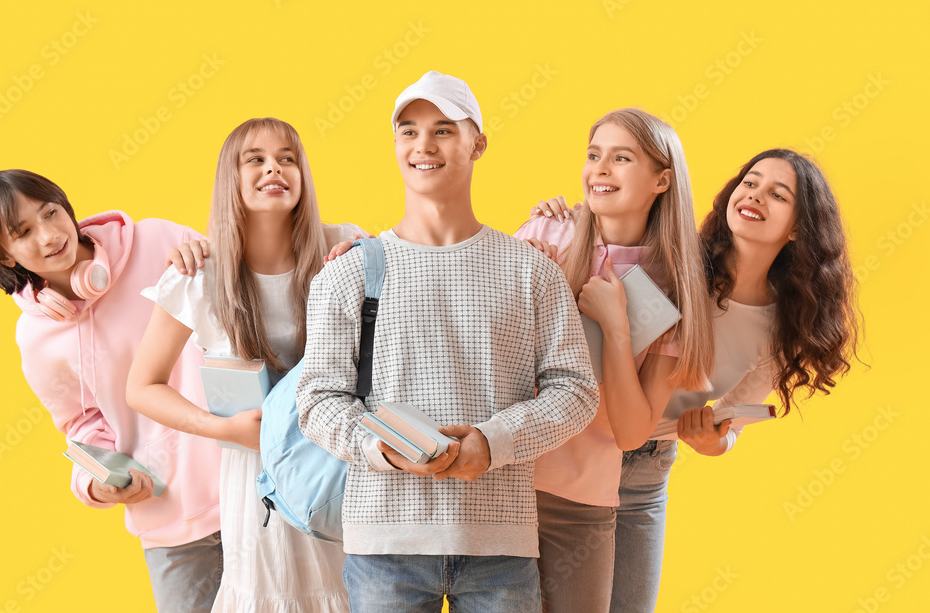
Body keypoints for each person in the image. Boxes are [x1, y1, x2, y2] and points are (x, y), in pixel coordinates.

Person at [296, 71, 599, 613]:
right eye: (408, 131)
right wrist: (380, 449)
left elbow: (575, 391)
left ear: (477, 143)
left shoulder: (531, 271)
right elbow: (317, 400)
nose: (423, 146)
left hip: (499, 546)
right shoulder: (349, 273)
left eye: (442, 130)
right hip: (383, 546)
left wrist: (493, 441)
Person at [531, 147, 861, 612]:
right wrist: (563, 219)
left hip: (646, 471)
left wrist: (710, 440)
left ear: (798, 229)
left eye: (777, 194)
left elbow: (732, 424)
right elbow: (597, 326)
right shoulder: (674, 264)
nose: (756, 196)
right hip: (586, 449)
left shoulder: (780, 327)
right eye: (750, 183)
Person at [0, 170, 223, 612]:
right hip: (168, 513)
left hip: (250, 480)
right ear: (5, 257)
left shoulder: (159, 240)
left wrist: (211, 255)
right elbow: (83, 425)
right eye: (23, 232)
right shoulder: (36, 337)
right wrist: (97, 483)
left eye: (51, 212)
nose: (49, 235)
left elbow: (245, 305)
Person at [127, 117, 359, 613]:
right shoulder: (199, 275)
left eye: (287, 158)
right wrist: (223, 428)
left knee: (352, 591)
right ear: (229, 178)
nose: (273, 168)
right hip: (255, 469)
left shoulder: (344, 247)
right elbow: (142, 387)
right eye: (254, 158)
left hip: (337, 461)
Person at [515, 108, 713, 613]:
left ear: (661, 180)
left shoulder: (670, 289)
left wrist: (617, 326)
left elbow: (630, 432)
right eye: (593, 155)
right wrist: (520, 280)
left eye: (621, 158)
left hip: (578, 500)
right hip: (501, 476)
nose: (600, 169)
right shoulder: (548, 232)